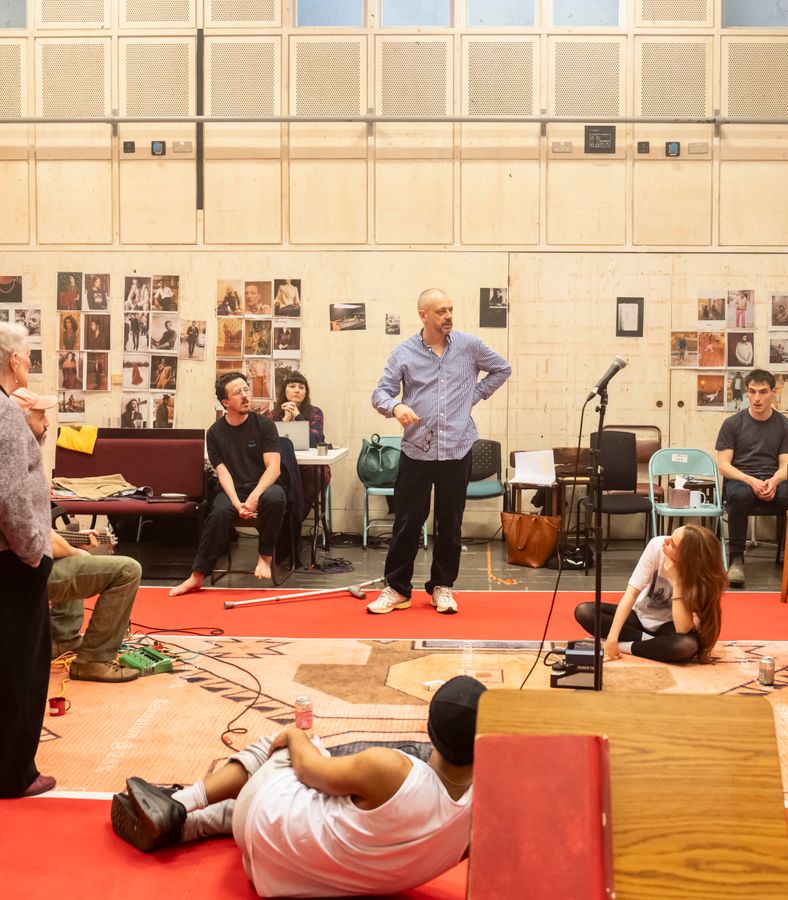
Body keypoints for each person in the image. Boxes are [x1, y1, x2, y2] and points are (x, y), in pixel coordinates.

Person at [110, 675, 485, 897]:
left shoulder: (392, 769)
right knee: (331, 800)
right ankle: (188, 826)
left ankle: (179, 803)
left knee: (289, 746)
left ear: (430, 731)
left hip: (263, 825)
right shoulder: (482, 817)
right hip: (279, 883)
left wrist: (296, 734)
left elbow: (310, 770)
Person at [369, 288, 511, 616]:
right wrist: (396, 405)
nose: (448, 316)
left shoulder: (469, 346)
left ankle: (442, 588)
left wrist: (472, 397)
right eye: (440, 312)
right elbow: (380, 393)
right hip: (416, 452)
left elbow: (503, 369)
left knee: (450, 524)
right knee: (407, 522)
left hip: (457, 450)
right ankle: (396, 589)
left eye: (450, 309)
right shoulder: (403, 352)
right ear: (423, 315)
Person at [12, 387, 140, 683]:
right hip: (20, 573)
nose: (46, 424)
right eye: (40, 416)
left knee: (76, 546)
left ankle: (63, 638)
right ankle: (94, 659)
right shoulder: (16, 466)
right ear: (18, 420)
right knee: (127, 570)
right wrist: (73, 549)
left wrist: (73, 540)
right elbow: (35, 537)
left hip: (23, 563)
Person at [0, 323, 55, 798]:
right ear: (14, 361)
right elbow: (11, 494)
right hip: (13, 561)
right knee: (22, 665)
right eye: (29, 355)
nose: (31, 362)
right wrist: (33, 550)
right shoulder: (4, 413)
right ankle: (15, 772)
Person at [169, 373, 285, 595]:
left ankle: (265, 557)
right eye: (237, 392)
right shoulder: (214, 433)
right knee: (219, 513)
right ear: (225, 402)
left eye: (246, 389)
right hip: (233, 489)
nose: (245, 396)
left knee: (275, 498)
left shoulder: (265, 425)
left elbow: (274, 468)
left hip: (263, 486)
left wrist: (253, 497)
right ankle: (197, 576)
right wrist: (237, 503)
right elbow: (223, 474)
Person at [573, 525, 726, 663]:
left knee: (685, 647)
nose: (665, 541)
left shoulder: (704, 577)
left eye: (672, 544)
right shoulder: (656, 546)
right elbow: (631, 594)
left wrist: (678, 579)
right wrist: (612, 638)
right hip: (639, 618)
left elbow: (682, 629)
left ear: (687, 557)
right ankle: (652, 643)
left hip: (670, 626)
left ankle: (626, 646)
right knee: (585, 611)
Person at [715, 368, 788, 587]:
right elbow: (723, 465)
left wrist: (775, 480)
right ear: (747, 393)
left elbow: (786, 465)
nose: (757, 398)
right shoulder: (732, 424)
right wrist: (751, 480)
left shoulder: (786, 425)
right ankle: (737, 559)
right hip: (742, 479)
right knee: (738, 495)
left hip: (772, 479)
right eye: (752, 392)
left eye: (762, 392)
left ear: (773, 392)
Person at [275, 372, 329, 521]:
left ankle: (294, 522)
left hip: (308, 465)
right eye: (292, 386)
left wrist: (298, 416)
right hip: (280, 464)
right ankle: (282, 522)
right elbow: (268, 439)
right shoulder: (273, 412)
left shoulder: (315, 412)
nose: (297, 390)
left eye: (301, 387)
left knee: (319, 475)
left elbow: (316, 439)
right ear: (284, 390)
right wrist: (285, 419)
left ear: (306, 392)